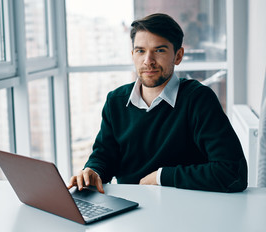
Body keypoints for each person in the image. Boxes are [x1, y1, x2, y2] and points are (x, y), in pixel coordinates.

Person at [67, 13, 248, 193]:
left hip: (185, 209)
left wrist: (161, 177)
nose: (148, 61)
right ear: (132, 55)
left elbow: (233, 173)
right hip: (129, 210)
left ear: (178, 56)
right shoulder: (115, 101)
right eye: (140, 51)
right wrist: (93, 171)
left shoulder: (198, 99)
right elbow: (104, 156)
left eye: (159, 50)